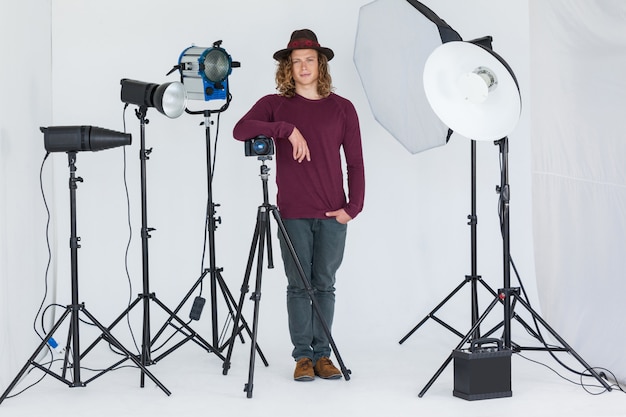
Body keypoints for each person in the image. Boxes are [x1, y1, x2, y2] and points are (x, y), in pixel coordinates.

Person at [233, 29, 365, 382]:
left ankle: (323, 355)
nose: (303, 66)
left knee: (325, 284)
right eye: (296, 62)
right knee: (298, 285)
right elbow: (240, 129)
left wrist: (354, 207)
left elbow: (355, 163)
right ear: (288, 69)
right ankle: (302, 357)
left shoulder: (343, 108)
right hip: (292, 213)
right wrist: (286, 129)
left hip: (333, 213)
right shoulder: (276, 105)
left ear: (320, 65)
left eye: (309, 60)